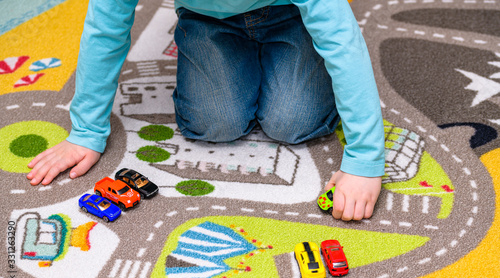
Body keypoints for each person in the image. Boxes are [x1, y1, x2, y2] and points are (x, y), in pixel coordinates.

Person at [27, 0, 385, 221]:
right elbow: (105, 30)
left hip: (289, 13)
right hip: (207, 19)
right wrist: (86, 131)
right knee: (214, 122)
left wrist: (364, 161)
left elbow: (342, 42)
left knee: (293, 121)